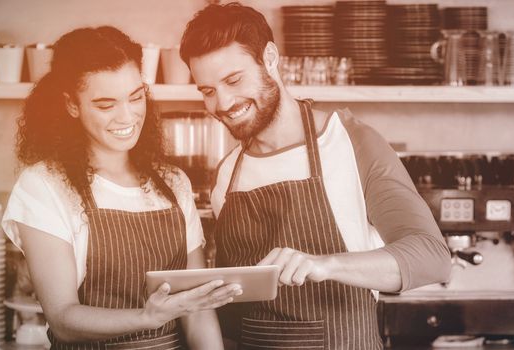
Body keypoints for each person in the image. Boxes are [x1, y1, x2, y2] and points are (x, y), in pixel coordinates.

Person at [179, 3, 452, 348]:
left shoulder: (351, 142)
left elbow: (433, 258)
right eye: (207, 90)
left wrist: (326, 265)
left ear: (271, 58)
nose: (223, 103)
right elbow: (232, 311)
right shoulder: (228, 173)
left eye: (234, 80)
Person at [1, 26, 242, 349]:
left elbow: (197, 311)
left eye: (136, 97)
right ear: (72, 105)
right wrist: (147, 317)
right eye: (105, 105)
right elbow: (63, 318)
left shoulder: (172, 184)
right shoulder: (45, 185)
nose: (127, 115)